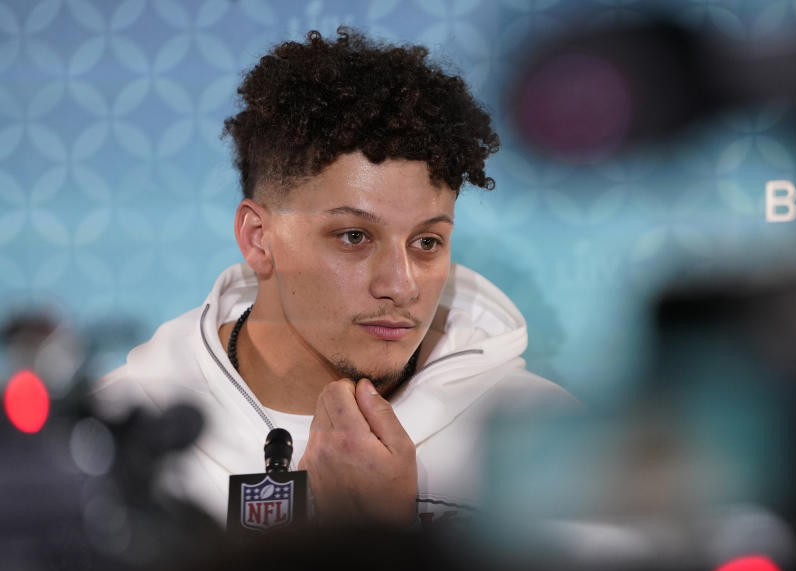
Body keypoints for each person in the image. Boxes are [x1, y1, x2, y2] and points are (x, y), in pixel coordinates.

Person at [94, 28, 572, 527]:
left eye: (426, 242)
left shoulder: (539, 435)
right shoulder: (113, 437)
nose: (401, 285)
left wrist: (381, 534)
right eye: (354, 237)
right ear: (259, 238)